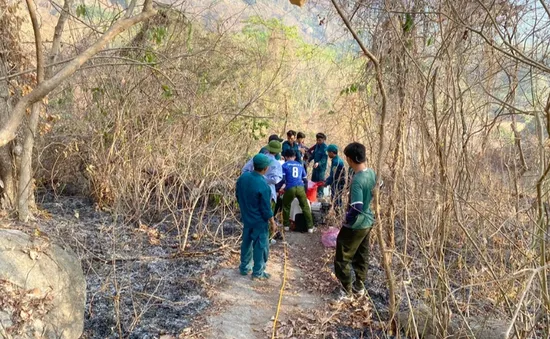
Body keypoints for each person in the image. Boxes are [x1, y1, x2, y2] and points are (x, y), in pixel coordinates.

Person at [333, 142, 376, 301]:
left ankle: (347, 290)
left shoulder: (358, 179)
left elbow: (356, 206)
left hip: (356, 224)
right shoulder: (371, 173)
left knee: (342, 257)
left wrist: (347, 219)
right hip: (368, 221)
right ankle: (359, 287)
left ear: (350, 159)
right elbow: (379, 187)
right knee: (361, 255)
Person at [236, 154, 278, 280]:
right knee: (261, 246)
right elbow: (266, 208)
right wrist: (272, 222)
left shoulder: (243, 178)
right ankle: (258, 272)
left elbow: (237, 195)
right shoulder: (263, 184)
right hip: (259, 221)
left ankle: (244, 267)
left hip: (246, 216)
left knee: (247, 242)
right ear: (265, 168)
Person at [280, 149, 314, 233]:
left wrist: (282, 188)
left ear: (286, 157)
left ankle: (286, 226)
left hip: (290, 188)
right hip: (300, 187)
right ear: (295, 157)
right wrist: (304, 191)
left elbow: (283, 179)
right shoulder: (300, 165)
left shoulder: (284, 165)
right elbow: (305, 180)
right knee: (305, 206)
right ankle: (310, 227)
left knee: (286, 205)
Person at [324, 144, 346, 213]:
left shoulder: (336, 162)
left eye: (328, 152)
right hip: (336, 182)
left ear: (332, 152)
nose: (328, 154)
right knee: (335, 198)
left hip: (337, 183)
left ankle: (339, 214)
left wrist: (326, 183)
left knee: (337, 199)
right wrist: (326, 180)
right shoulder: (336, 160)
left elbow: (333, 175)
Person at [308, 133, 328, 197]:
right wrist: (308, 160)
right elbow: (313, 154)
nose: (318, 141)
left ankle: (320, 195)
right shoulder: (317, 146)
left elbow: (324, 159)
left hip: (321, 169)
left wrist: (318, 163)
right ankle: (313, 195)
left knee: (320, 183)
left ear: (323, 140)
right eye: (317, 140)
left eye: (320, 140)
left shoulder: (325, 148)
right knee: (313, 182)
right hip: (315, 168)